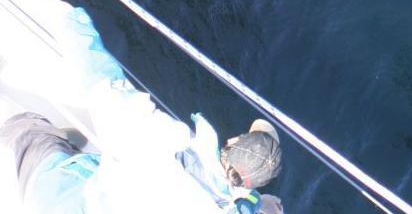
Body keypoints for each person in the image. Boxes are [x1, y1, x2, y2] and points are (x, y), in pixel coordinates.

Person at [0, 111, 284, 213]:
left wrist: (70, 17)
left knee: (28, 126)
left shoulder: (177, 145)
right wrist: (259, 204)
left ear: (232, 143)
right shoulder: (241, 204)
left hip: (63, 200)